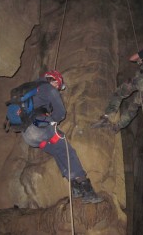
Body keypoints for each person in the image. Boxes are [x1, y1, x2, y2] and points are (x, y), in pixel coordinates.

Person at [22, 70, 103, 204]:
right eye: (58, 86)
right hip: (39, 128)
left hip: (28, 136)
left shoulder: (30, 89)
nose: (57, 89)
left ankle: (75, 188)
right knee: (67, 150)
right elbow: (61, 113)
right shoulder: (48, 88)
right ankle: (87, 190)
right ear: (53, 80)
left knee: (58, 151)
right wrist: (53, 120)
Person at [91, 41, 143, 133]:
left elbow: (132, 58)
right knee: (133, 107)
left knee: (119, 94)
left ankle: (106, 118)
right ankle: (117, 127)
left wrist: (141, 61)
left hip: (142, 79)